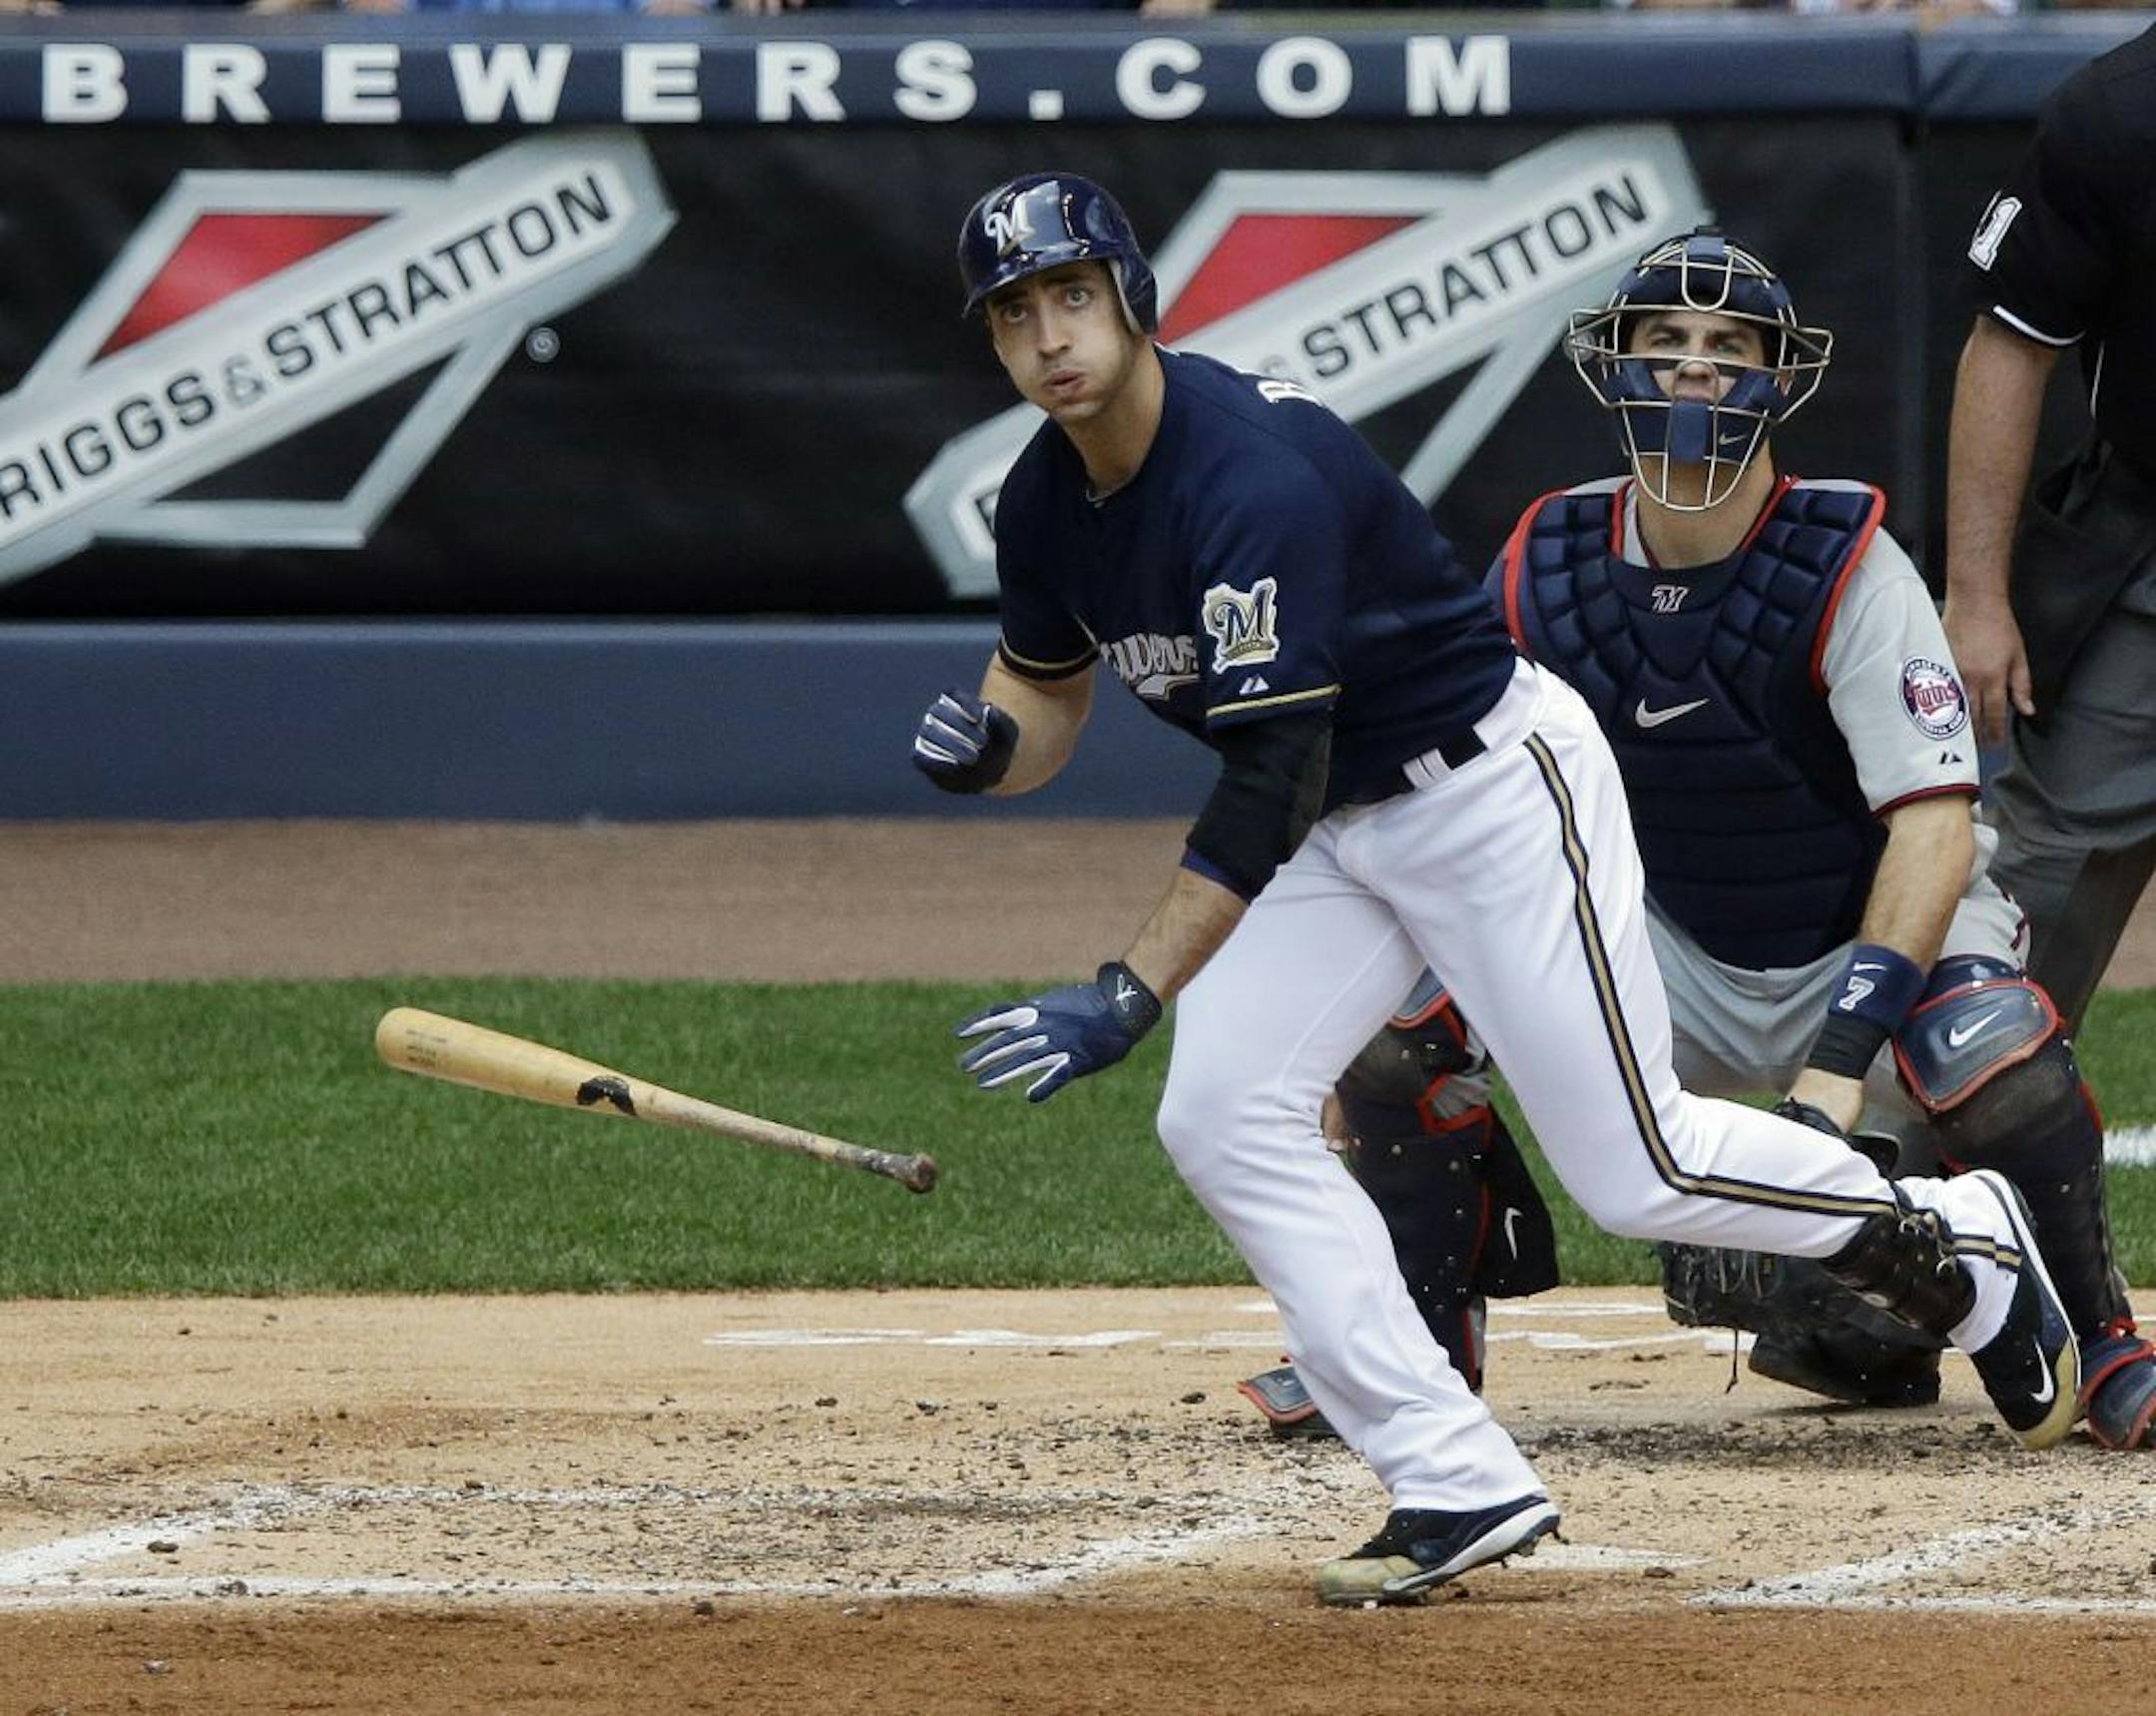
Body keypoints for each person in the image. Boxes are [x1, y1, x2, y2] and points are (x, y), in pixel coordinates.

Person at [911, 173, 2083, 1607]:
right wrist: (986, 756)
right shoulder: (1045, 499)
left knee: (1635, 1165)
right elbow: (1043, 690)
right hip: (1343, 820)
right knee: (1219, 1113)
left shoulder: (1248, 477)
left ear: (1133, 298)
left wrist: (1128, 985)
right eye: (1017, 312)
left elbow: (1265, 778)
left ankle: (1957, 1237)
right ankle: (1449, 1470)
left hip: (1483, 792)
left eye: (1073, 295)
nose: (1050, 335)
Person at [1245, 229, 2153, 1452]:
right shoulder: (1546, 560)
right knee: (1400, 1017)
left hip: (1862, 944)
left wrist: (1835, 1072)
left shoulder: (1847, 562)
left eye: (1729, 348)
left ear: (1782, 378)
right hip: (1666, 948)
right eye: (1663, 344)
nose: (1694, 371)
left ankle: (2102, 1348)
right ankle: (1410, 1348)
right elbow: (1458, 800)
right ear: (1611, 367)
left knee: (1995, 1042)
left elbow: (1936, 837)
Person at [1944, 23, 2156, 1044]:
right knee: (2044, 875)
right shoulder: (2117, 109)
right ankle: (1948, 1159)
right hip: (2146, 547)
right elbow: (2009, 348)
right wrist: (1976, 597)